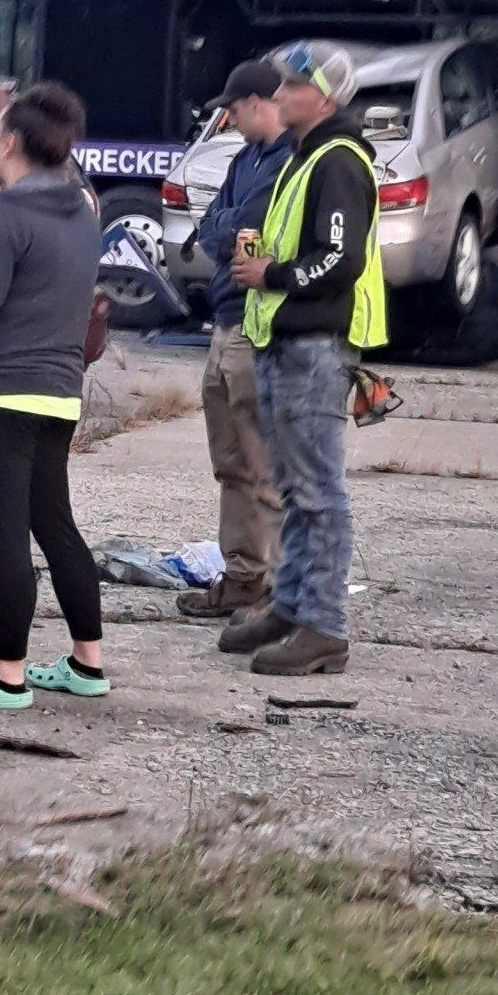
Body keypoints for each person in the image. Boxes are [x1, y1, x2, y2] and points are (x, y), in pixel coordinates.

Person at [0, 82, 107, 712]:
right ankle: (87, 661)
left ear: (9, 141)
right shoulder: (84, 213)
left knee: (5, 535)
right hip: (60, 393)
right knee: (55, 525)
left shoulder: (5, 215)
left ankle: (7, 674)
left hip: (2, 394)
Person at [224, 39, 386, 678]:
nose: (278, 95)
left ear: (322, 96)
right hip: (287, 343)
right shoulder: (305, 155)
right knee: (295, 488)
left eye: (290, 86)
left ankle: (323, 627)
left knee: (317, 492)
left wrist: (272, 272)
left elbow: (339, 260)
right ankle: (290, 606)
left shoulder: (338, 161)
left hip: (315, 348)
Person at [176, 60, 294, 624]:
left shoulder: (287, 163)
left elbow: (249, 227)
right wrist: (227, 230)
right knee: (230, 461)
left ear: (255, 101)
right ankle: (242, 574)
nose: (230, 118)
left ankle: (266, 579)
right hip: (223, 321)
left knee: (258, 459)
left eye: (235, 107)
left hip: (255, 323)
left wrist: (226, 230)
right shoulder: (245, 159)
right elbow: (214, 227)